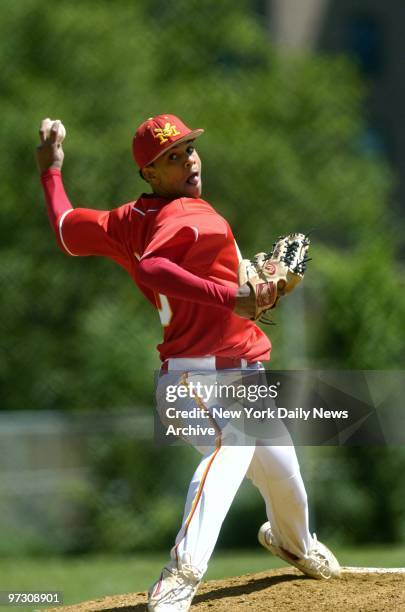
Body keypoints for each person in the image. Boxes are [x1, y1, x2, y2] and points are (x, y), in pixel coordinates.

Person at [36, 114, 340, 612]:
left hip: (229, 379)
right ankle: (182, 573)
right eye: (171, 158)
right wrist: (233, 296)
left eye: (188, 149)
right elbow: (152, 266)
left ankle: (295, 544)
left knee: (285, 478)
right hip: (199, 380)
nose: (188, 162)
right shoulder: (188, 214)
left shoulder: (124, 220)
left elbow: (67, 228)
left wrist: (50, 171)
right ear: (149, 174)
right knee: (233, 444)